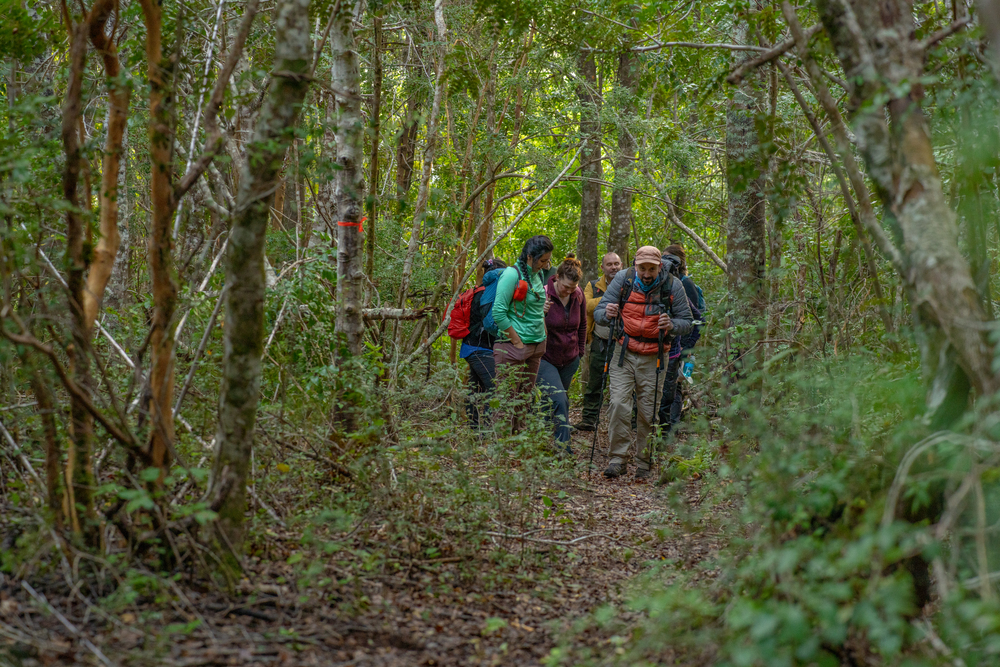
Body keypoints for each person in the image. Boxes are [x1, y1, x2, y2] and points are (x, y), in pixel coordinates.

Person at [593, 245, 693, 480]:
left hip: (655, 356)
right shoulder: (622, 279)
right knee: (618, 403)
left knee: (648, 411)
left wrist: (671, 325)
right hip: (623, 352)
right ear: (635, 265)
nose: (647, 273)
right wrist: (607, 313)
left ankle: (643, 461)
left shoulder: (673, 285)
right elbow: (598, 314)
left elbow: (687, 322)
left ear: (659, 267)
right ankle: (617, 458)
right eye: (642, 268)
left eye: (651, 269)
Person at [492, 235, 553, 432]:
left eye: (548, 260)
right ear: (529, 257)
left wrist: (543, 334)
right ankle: (500, 451)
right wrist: (517, 342)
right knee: (506, 403)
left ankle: (519, 447)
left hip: (536, 346)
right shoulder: (512, 274)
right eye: (543, 261)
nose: (546, 265)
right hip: (513, 348)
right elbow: (498, 312)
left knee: (524, 401)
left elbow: (537, 309)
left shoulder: (537, 274)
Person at [537, 255, 587, 450]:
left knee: (552, 401)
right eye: (565, 287)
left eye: (572, 287)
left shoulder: (578, 295)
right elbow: (527, 325)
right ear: (556, 277)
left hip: (570, 358)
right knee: (560, 399)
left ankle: (540, 436)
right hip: (545, 357)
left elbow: (582, 325)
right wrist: (540, 313)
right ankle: (563, 449)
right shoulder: (543, 294)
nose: (568, 291)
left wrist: (580, 352)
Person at [657, 245, 705, 429]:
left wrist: (687, 348)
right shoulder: (668, 282)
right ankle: (668, 427)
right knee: (673, 385)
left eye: (670, 259)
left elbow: (694, 318)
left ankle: (671, 426)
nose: (666, 263)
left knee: (674, 387)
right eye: (664, 258)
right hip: (674, 344)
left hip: (681, 345)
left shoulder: (684, 283)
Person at [574, 252, 622, 431]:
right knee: (595, 382)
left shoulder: (631, 284)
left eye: (616, 264)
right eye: (609, 264)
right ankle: (589, 419)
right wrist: (608, 299)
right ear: (602, 267)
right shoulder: (594, 285)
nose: (613, 267)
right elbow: (585, 304)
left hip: (625, 344)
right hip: (600, 341)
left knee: (626, 385)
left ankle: (631, 421)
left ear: (621, 264)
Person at [461, 258, 508, 430]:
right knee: (494, 387)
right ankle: (487, 433)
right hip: (480, 348)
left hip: (471, 347)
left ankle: (474, 431)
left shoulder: (477, 292)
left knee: (475, 388)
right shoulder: (490, 294)